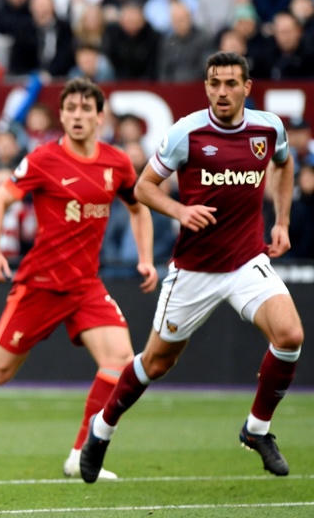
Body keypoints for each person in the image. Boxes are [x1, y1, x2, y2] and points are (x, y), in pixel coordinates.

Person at [0, 78, 158, 480]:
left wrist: (145, 258)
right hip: (40, 284)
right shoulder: (43, 159)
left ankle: (81, 454)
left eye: (85, 109)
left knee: (120, 361)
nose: (77, 115)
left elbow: (139, 208)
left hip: (86, 286)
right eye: (70, 108)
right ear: (62, 114)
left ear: (99, 116)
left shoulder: (117, 162)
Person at [80, 52, 304, 482]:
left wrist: (282, 222)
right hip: (194, 271)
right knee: (156, 363)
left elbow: (284, 162)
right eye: (214, 83)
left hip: (246, 262)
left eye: (230, 84)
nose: (222, 91)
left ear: (246, 88)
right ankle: (102, 428)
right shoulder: (186, 132)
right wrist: (180, 212)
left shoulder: (269, 128)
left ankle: (257, 430)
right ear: (206, 87)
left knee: (290, 336)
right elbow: (144, 188)